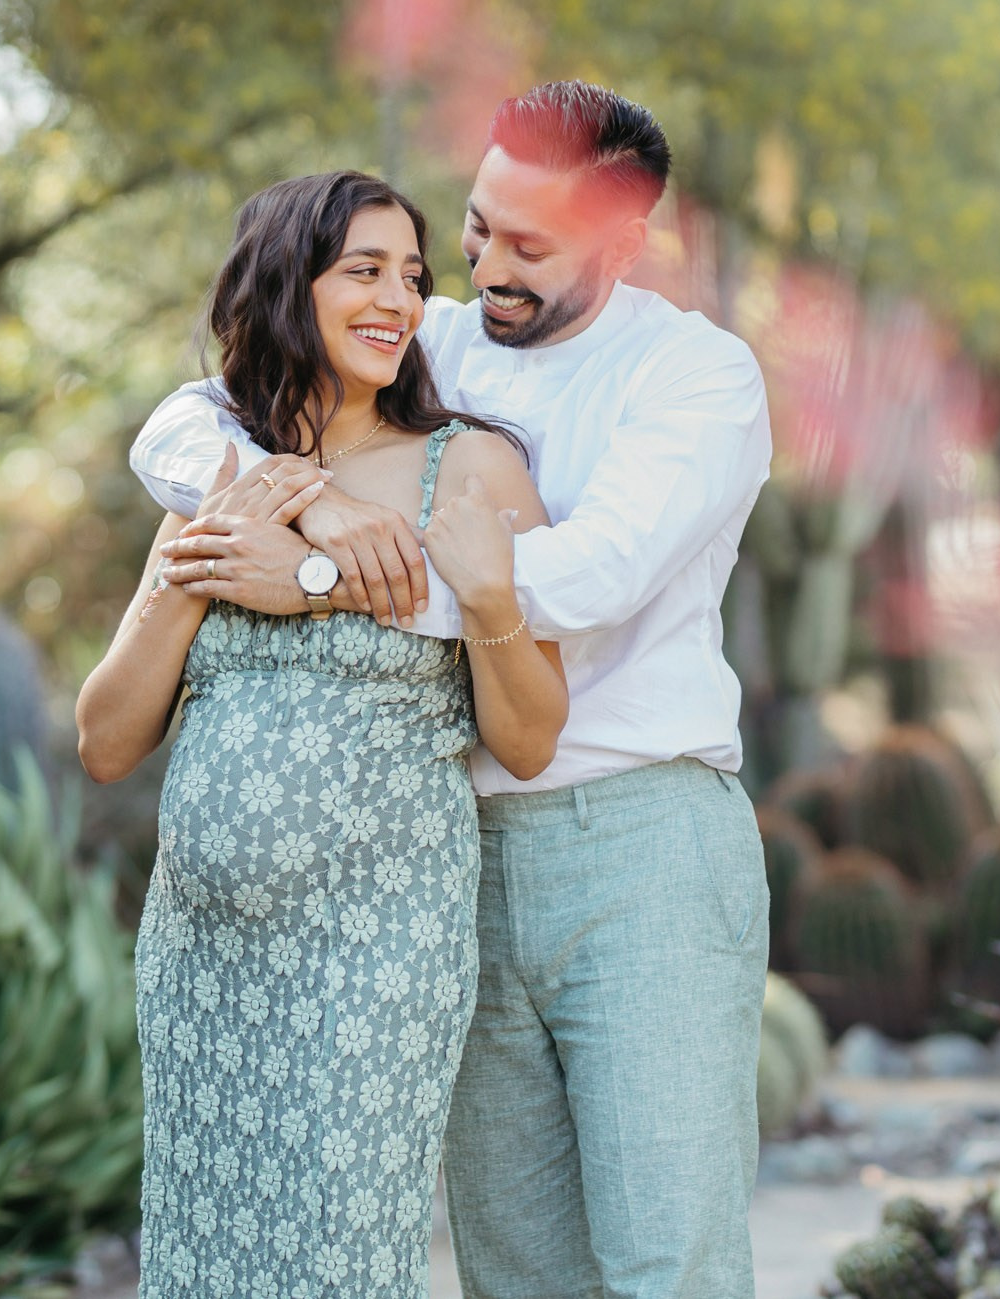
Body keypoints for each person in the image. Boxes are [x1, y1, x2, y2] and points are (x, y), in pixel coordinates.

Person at [128, 82, 774, 1299]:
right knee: (514, 1266)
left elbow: (587, 576)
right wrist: (303, 493)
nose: (485, 266)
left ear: (624, 245)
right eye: (478, 227)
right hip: (448, 864)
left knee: (667, 1256)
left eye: (530, 246)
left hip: (640, 846)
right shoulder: (436, 334)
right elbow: (179, 424)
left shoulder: (697, 376)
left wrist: (316, 575)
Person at [75, 169, 569, 1299]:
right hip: (202, 956)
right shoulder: (216, 476)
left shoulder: (470, 467)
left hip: (378, 952)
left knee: (339, 1258)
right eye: (365, 269)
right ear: (286, 283)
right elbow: (106, 740)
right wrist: (197, 564)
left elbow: (531, 738)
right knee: (203, 1262)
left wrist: (489, 605)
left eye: (412, 274)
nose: (400, 296)